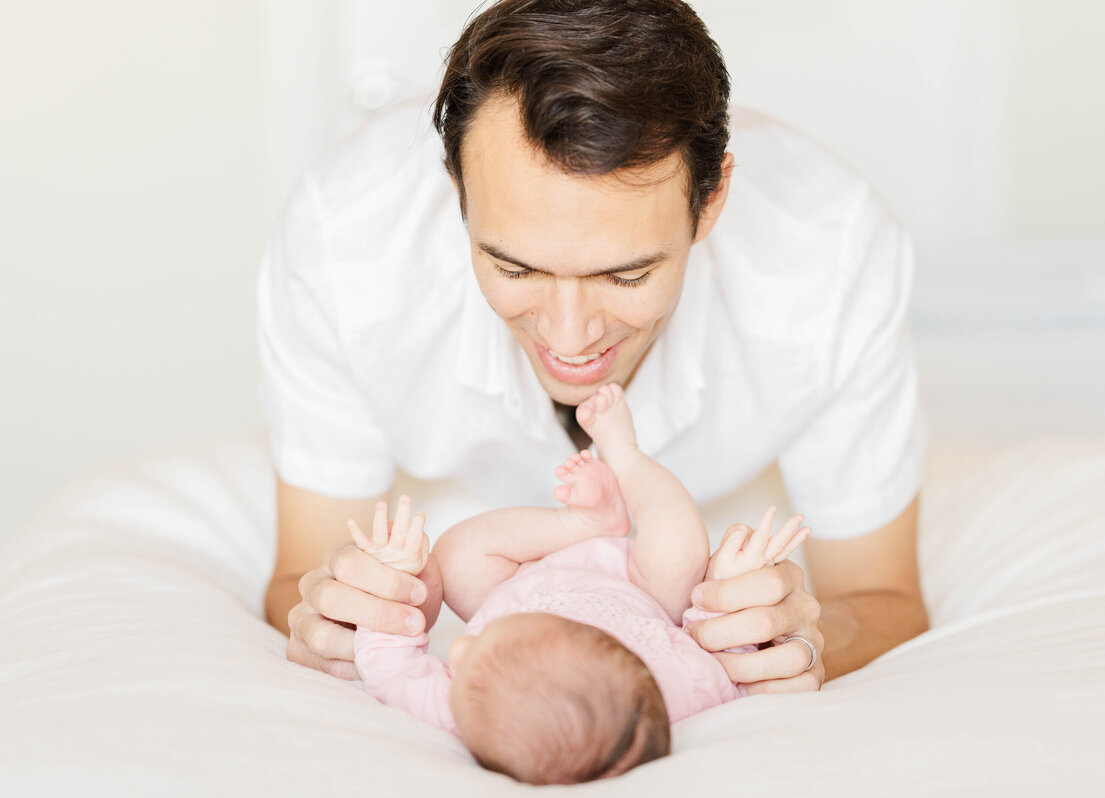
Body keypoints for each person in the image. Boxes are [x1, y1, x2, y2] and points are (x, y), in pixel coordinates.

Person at [260, 0, 928, 692]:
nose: (569, 335)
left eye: (627, 274)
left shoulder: (836, 255)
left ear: (712, 199)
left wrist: (801, 639)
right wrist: (339, 620)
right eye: (514, 269)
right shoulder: (341, 245)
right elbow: (298, 578)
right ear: (456, 188)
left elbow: (881, 599)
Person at [352, 384, 808, 784]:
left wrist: (394, 575)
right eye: (482, 650)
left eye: (468, 659)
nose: (457, 650)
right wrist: (732, 583)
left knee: (455, 559)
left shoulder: (456, 713)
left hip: (523, 582)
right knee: (679, 550)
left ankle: (582, 522)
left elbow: (388, 669)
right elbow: (723, 657)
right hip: (638, 590)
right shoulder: (671, 695)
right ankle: (624, 453)